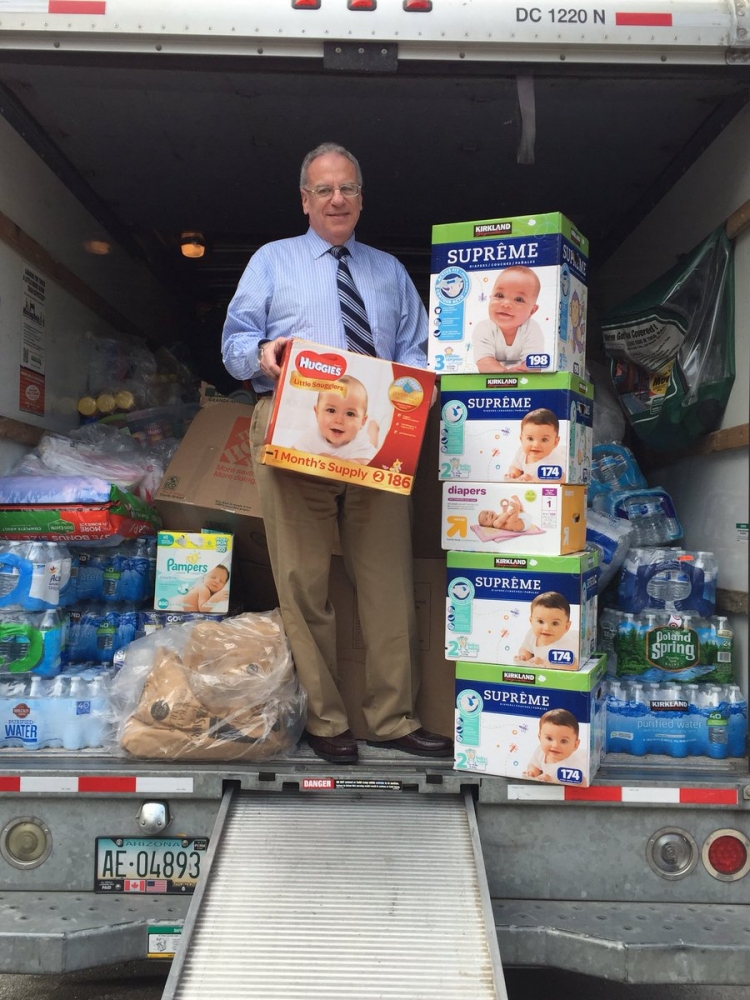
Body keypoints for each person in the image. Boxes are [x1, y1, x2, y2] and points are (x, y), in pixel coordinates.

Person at [221, 141, 453, 764]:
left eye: (348, 188)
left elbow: (420, 352)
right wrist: (262, 354)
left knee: (387, 580)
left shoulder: (389, 272)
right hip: (293, 430)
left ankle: (394, 719)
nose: (337, 199)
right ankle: (326, 722)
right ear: (304, 199)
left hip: (375, 435)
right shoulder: (272, 261)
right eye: (324, 189)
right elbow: (236, 341)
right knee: (302, 581)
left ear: (361, 198)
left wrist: (420, 385)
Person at [472, 266, 545, 372]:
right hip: (490, 382)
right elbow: (484, 363)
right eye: (500, 295)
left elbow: (534, 364)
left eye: (519, 299)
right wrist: (505, 375)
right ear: (490, 298)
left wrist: (523, 371)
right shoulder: (483, 328)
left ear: (532, 311)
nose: (506, 304)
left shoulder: (532, 328)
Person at [293, 375, 378, 463]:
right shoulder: (312, 435)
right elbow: (291, 455)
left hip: (364, 441)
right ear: (317, 413)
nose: (339, 420)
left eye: (350, 414)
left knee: (372, 440)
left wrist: (340, 462)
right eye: (331, 410)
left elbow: (368, 467)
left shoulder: (360, 443)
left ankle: (373, 426)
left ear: (362, 421)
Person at [515, 592, 579, 670]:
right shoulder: (532, 634)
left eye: (555, 623)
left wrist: (544, 663)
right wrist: (523, 656)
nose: (546, 628)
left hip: (579, 638)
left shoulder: (565, 646)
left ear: (566, 626)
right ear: (531, 621)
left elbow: (573, 666)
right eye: (541, 621)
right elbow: (526, 648)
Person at [522, 708, 587, 784]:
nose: (555, 745)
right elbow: (535, 765)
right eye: (549, 738)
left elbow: (583, 783)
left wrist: (553, 780)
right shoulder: (540, 751)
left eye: (563, 741)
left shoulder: (573, 764)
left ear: (575, 745)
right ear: (540, 738)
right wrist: (532, 772)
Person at [507, 408, 567, 482]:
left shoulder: (555, 461)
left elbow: (561, 479)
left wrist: (533, 480)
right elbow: (516, 467)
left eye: (544, 440)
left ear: (555, 442)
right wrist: (514, 474)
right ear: (521, 439)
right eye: (530, 439)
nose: (536, 445)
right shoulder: (521, 452)